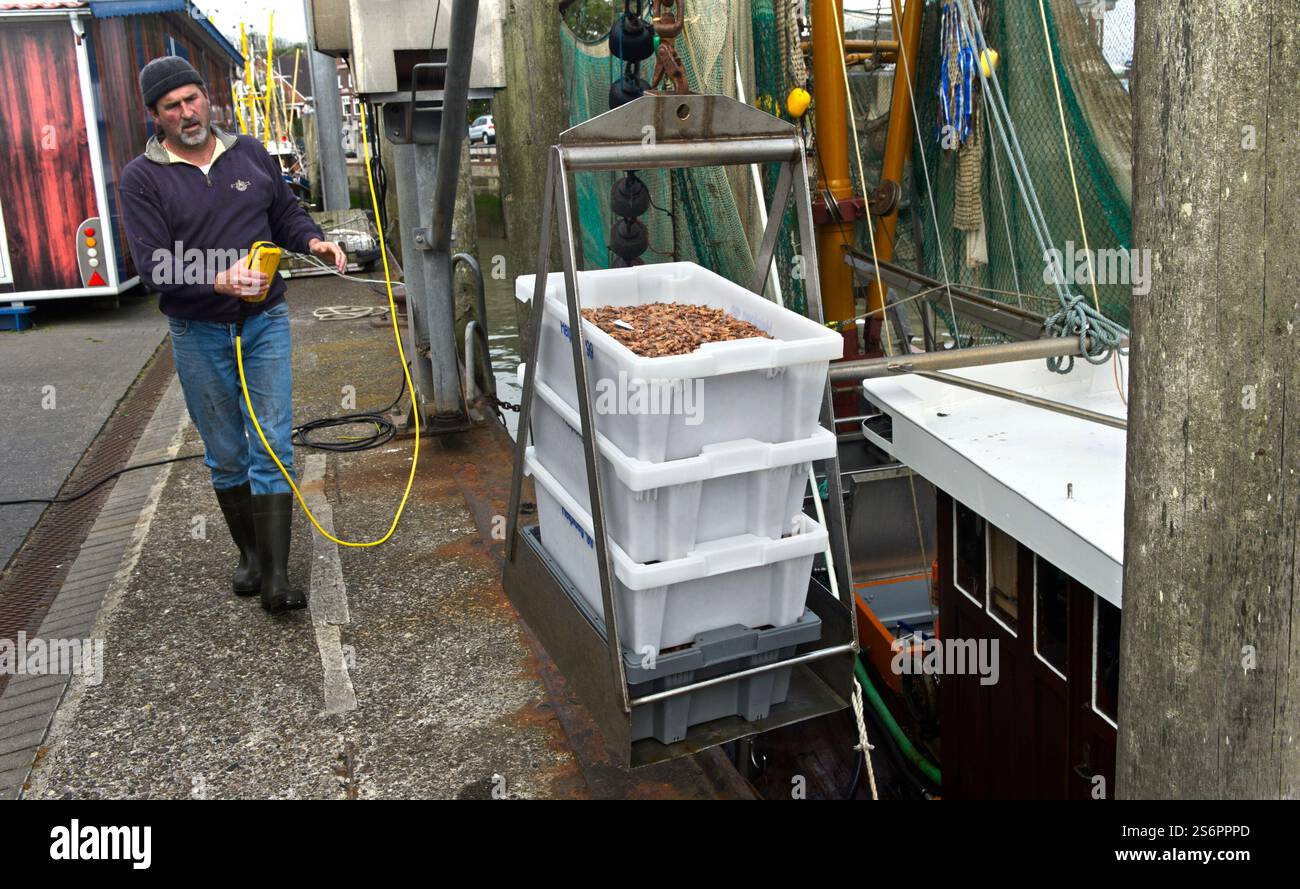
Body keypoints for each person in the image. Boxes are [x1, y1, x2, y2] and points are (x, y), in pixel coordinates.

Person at [118, 56, 347, 613]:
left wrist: (312, 241)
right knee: (225, 454)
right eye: (172, 106)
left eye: (192, 99)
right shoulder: (141, 178)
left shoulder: (249, 154)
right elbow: (153, 268)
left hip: (264, 321)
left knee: (272, 444)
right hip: (198, 332)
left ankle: (275, 577)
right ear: (156, 116)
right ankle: (249, 555)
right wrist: (214, 278)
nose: (187, 112)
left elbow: (285, 214)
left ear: (207, 98)